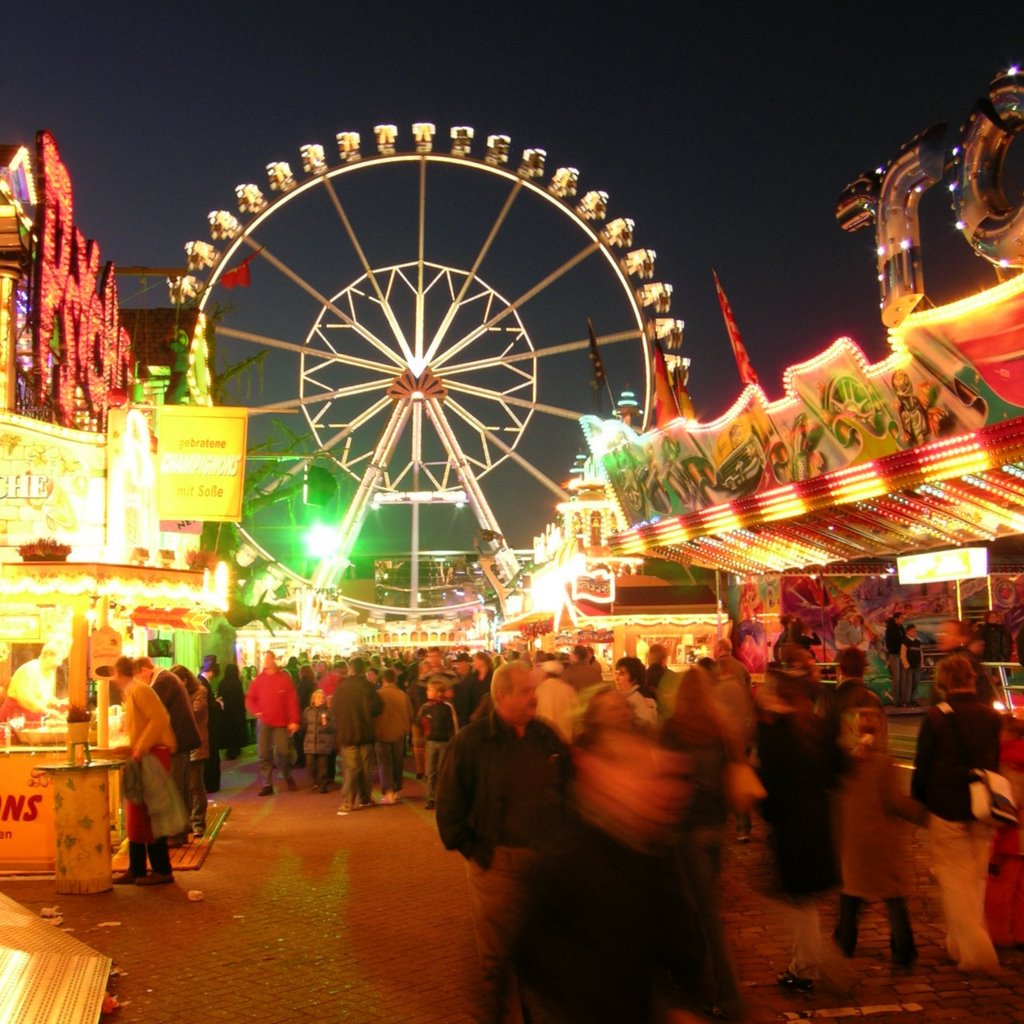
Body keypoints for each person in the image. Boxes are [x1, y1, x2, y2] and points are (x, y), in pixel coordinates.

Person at [436, 660, 572, 1024]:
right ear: (501, 696)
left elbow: (568, 787)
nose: (534, 697)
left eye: (533, 689)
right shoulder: (471, 742)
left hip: (545, 864)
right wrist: (480, 853)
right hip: (499, 865)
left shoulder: (546, 736)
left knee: (543, 956)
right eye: (525, 691)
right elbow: (449, 808)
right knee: (497, 960)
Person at [661, 666, 744, 1018]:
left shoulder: (674, 730)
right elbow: (733, 774)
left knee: (703, 914)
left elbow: (664, 779)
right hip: (715, 829)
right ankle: (703, 983)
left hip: (687, 831)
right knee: (703, 907)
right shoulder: (721, 728)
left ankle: (725, 993)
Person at [911, 653, 1002, 972]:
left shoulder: (936, 717)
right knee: (975, 880)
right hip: (981, 807)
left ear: (944, 682)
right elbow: (994, 762)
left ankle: (976, 950)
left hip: (945, 807)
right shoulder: (991, 718)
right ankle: (957, 943)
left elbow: (922, 766)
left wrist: (920, 801)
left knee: (952, 880)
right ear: (971, 679)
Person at [757, 645, 838, 992]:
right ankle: (804, 961)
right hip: (815, 822)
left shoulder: (777, 733)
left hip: (792, 827)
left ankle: (807, 965)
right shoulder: (813, 726)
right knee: (803, 902)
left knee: (801, 902)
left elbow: (769, 786)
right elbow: (834, 772)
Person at [833, 691, 922, 966]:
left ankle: (844, 944)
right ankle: (904, 948)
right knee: (893, 896)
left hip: (853, 840)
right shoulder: (883, 762)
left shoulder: (841, 761)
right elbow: (894, 801)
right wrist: (922, 814)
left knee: (852, 897)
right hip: (881, 839)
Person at [108, 656, 179, 886]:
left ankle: (161, 869)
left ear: (119, 674)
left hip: (152, 757)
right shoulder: (134, 691)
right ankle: (136, 868)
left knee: (149, 814)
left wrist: (140, 748)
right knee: (137, 815)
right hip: (145, 755)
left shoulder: (139, 690)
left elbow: (159, 719)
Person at [138, 658, 201, 848]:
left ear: (144, 671)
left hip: (177, 741)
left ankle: (176, 834)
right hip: (182, 740)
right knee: (180, 786)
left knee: (175, 787)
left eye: (138, 677)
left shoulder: (162, 681)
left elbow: (153, 712)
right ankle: (181, 831)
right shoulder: (167, 678)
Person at [985, 715, 1024, 946]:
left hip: (1010, 836)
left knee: (1000, 888)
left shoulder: (1003, 761)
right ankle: (1021, 933)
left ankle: (997, 933)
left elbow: (1006, 805)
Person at [332, 656, 383, 814]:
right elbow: (377, 708)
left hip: (347, 732)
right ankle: (365, 797)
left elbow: (335, 709)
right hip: (365, 731)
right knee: (366, 768)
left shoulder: (341, 688)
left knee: (351, 768)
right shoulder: (368, 687)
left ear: (350, 669)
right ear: (363, 670)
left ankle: (348, 801)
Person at [245, 651, 300, 796]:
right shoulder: (259, 680)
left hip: (280, 722)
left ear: (273, 660)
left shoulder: (284, 679)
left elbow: (292, 701)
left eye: (269, 658)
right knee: (264, 753)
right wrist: (256, 711)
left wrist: (294, 720)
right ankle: (267, 783)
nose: (267, 661)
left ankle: (288, 775)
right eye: (265, 659)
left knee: (284, 752)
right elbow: (250, 698)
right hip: (265, 721)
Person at [172, 664, 209, 839]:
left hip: (196, 744)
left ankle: (198, 822)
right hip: (181, 746)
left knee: (196, 785)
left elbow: (196, 713)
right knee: (184, 785)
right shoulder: (177, 694)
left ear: (185, 680)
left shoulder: (200, 691)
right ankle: (185, 823)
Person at [419, 673, 459, 810]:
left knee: (442, 770)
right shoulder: (426, 707)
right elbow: (420, 721)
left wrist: (454, 740)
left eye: (430, 690)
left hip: (444, 742)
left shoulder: (447, 707)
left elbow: (454, 726)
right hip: (431, 741)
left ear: (438, 692)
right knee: (431, 771)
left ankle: (442, 796)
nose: (427, 692)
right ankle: (431, 797)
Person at [374, 667, 413, 804]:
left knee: (384, 764)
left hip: (381, 733)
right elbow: (410, 714)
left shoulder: (378, 695)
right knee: (398, 762)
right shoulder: (402, 695)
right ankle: (397, 789)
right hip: (399, 733)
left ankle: (388, 792)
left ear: (383, 679)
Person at [0, 644, 65, 723]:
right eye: (59, 659)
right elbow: (26, 700)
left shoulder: (49, 672)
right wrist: (48, 712)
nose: (60, 663)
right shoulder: (29, 669)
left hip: (32, 717)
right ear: (48, 655)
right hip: (15, 717)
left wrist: (55, 702)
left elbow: (43, 696)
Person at [533, 655, 578, 744]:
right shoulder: (569, 690)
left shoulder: (539, 690)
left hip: (544, 741)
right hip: (565, 741)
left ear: (545, 673)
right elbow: (576, 719)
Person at [197, 654, 223, 792]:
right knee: (211, 754)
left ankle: (211, 783)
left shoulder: (200, 681)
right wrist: (217, 704)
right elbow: (206, 705)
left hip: (206, 726)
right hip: (208, 727)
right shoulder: (203, 684)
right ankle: (211, 784)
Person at [302, 689, 335, 793]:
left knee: (322, 766)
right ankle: (316, 781)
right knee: (310, 764)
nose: (321, 699)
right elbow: (303, 725)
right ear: (313, 699)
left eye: (323, 697)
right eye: (319, 697)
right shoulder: (308, 711)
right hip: (310, 743)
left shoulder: (328, 712)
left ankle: (323, 785)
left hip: (323, 744)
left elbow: (333, 727)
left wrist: (326, 725)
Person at [613, 656, 658, 733]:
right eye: (616, 673)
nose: (616, 678)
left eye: (622, 674)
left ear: (634, 678)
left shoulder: (640, 698)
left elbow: (647, 728)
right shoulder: (628, 696)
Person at [217, 662, 249, 758]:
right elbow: (239, 698)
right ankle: (235, 749)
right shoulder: (237, 683)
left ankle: (229, 750)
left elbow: (220, 697)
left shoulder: (222, 683)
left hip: (226, 712)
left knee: (228, 732)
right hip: (236, 713)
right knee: (236, 731)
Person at [884, 611, 907, 705]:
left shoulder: (901, 629)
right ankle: (896, 700)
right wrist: (897, 648)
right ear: (896, 619)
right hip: (894, 655)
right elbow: (889, 644)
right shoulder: (890, 629)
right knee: (896, 678)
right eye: (901, 618)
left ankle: (903, 699)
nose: (903, 620)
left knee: (903, 677)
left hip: (902, 655)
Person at [901, 624, 923, 707]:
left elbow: (920, 653)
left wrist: (921, 663)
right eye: (913, 631)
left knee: (915, 683)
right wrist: (906, 665)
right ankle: (907, 701)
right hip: (909, 666)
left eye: (915, 631)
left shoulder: (918, 642)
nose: (914, 632)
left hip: (916, 665)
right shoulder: (905, 642)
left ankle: (914, 700)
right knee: (908, 683)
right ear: (908, 631)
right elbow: (903, 654)